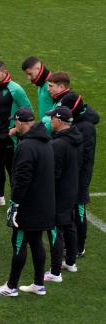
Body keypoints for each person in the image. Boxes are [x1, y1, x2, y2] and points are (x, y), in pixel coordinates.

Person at [0, 109, 55, 297]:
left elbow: (22, 180)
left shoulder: (26, 147)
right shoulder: (46, 142)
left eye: (14, 122)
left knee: (19, 242)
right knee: (36, 242)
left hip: (28, 206)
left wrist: (15, 205)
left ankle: (11, 286)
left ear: (19, 122)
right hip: (44, 204)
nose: (13, 126)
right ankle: (38, 284)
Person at [0, 61, 32, 207]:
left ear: (4, 72)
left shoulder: (16, 90)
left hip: (9, 137)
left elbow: (29, 112)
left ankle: (16, 200)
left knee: (12, 169)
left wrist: (15, 130)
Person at [59, 93, 100, 257]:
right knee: (70, 209)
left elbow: (85, 156)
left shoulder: (87, 127)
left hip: (80, 177)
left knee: (79, 210)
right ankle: (70, 244)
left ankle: (79, 247)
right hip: (71, 174)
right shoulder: (77, 122)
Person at [44, 107, 81, 283]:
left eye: (52, 118)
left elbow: (54, 173)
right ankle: (71, 262)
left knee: (55, 229)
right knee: (69, 225)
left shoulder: (58, 144)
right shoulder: (76, 138)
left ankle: (55, 271)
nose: (50, 121)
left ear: (59, 121)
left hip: (59, 192)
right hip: (72, 188)